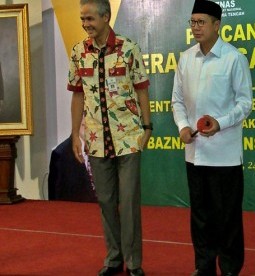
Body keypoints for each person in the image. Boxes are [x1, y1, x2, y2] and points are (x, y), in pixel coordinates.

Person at [67, 0, 151, 275]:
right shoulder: (79, 52)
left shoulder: (129, 48)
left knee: (128, 203)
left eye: (90, 18)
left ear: (106, 17)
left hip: (128, 137)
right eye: (82, 19)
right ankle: (114, 259)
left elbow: (141, 90)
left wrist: (147, 128)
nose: (85, 24)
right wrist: (74, 134)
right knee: (105, 200)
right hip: (95, 139)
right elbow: (77, 95)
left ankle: (134, 264)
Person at [171, 1, 253, 275]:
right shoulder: (185, 59)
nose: (195, 27)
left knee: (227, 218)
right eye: (192, 22)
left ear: (217, 25)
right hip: (194, 154)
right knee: (201, 218)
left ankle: (230, 269)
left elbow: (245, 104)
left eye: (201, 22)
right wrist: (183, 126)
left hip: (225, 155)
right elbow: (177, 101)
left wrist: (221, 122)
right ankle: (203, 267)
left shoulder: (233, 58)